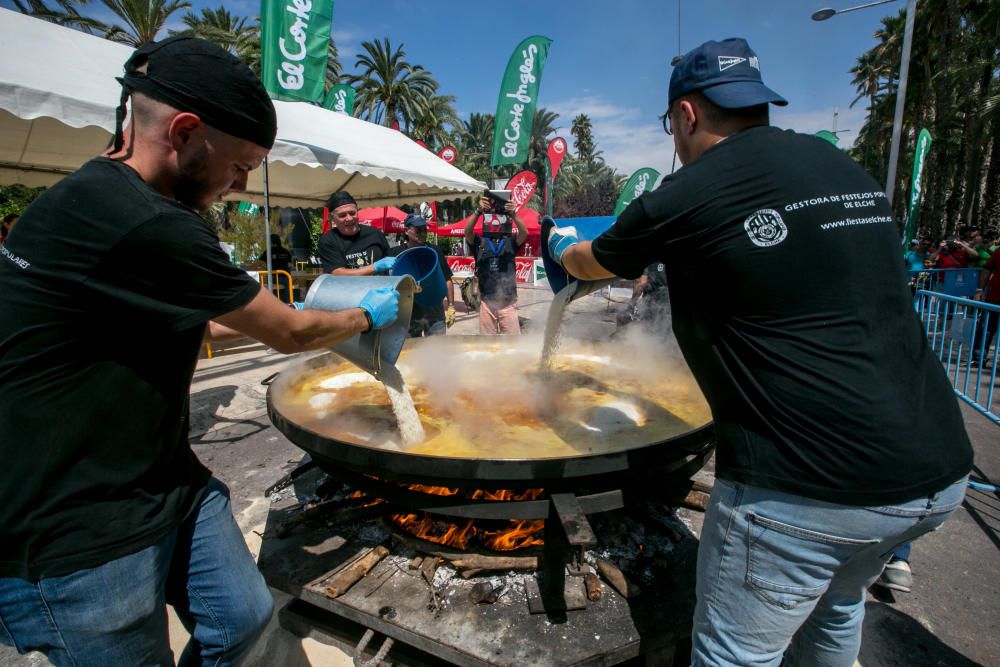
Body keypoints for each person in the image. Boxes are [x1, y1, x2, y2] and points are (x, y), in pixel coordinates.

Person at [547, 37, 972, 666]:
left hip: (807, 486)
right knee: (835, 607)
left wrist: (559, 244)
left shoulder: (689, 190)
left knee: (732, 656)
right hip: (935, 473)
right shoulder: (845, 171)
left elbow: (591, 262)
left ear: (687, 116)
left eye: (672, 126)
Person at [0, 37, 399, 667]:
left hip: (162, 480)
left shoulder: (92, 195)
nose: (242, 185)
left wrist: (300, 320)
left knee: (243, 621)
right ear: (185, 131)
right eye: (241, 164)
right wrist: (364, 315)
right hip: (77, 522)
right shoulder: (149, 219)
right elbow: (290, 334)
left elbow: (199, 327)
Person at [465, 195, 529, 334]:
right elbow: (467, 232)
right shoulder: (480, 243)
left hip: (508, 303)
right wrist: (478, 211)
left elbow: (524, 233)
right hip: (487, 303)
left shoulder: (510, 242)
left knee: (512, 345)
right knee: (487, 346)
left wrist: (514, 214)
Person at [389, 213, 456, 336]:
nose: (423, 233)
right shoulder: (396, 254)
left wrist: (451, 305)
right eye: (418, 230)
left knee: (437, 347)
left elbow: (447, 279)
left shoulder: (434, 250)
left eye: (425, 230)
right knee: (411, 351)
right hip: (409, 313)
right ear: (406, 231)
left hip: (434, 311)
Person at [318, 191, 396, 275]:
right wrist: (375, 267)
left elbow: (391, 264)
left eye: (352, 213)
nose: (349, 218)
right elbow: (338, 273)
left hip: (381, 287)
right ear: (332, 218)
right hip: (350, 288)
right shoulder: (328, 241)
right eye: (342, 215)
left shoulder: (376, 234)